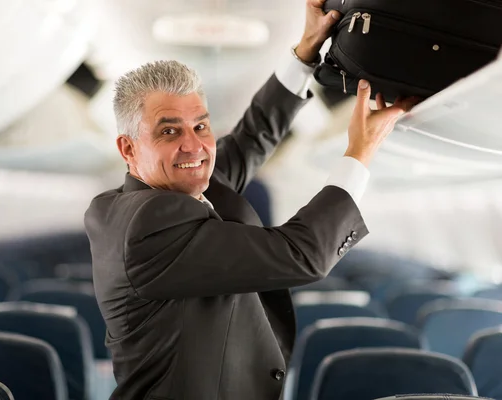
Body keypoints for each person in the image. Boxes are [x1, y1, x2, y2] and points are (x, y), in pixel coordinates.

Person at [84, 0, 420, 398]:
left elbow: (250, 138)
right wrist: (360, 151)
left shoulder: (151, 193)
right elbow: (302, 254)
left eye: (201, 125)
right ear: (128, 148)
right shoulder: (150, 221)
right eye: (170, 132)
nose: (195, 146)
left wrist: (305, 52)